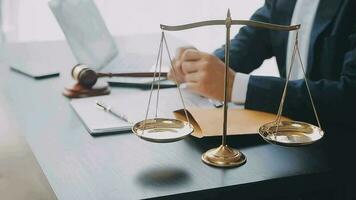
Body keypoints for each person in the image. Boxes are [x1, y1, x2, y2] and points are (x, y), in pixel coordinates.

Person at [167, 0, 356, 131]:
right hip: (287, 139)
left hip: (339, 152)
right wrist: (198, 67)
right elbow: (249, 42)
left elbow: (349, 98)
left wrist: (236, 86)